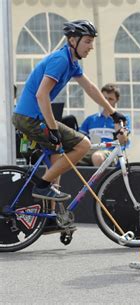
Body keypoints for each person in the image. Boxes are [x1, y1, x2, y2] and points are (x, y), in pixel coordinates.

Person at [12, 20, 127, 203]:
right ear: (73, 40)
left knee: (57, 162)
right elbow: (42, 95)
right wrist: (53, 130)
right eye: (87, 41)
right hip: (30, 117)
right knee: (83, 145)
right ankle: (41, 186)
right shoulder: (61, 60)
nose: (91, 47)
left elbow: (89, 87)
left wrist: (112, 111)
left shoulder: (71, 62)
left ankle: (50, 215)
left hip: (31, 117)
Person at [79, 83, 130, 166]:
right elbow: (79, 140)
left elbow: (122, 142)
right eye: (104, 98)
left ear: (117, 100)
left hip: (112, 154)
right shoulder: (90, 119)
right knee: (68, 158)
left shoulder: (123, 118)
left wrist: (118, 123)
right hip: (91, 151)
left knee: (97, 157)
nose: (106, 101)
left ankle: (101, 179)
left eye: (110, 99)